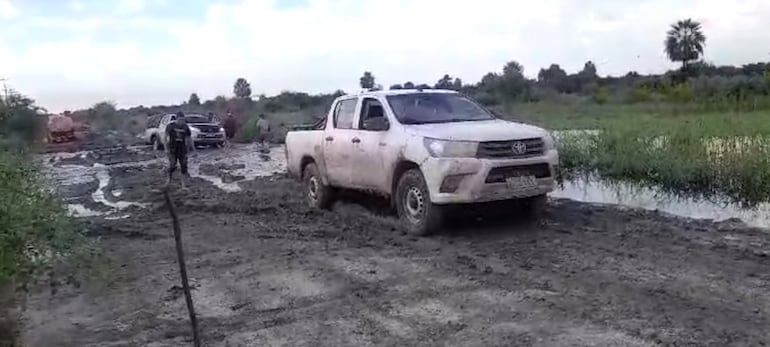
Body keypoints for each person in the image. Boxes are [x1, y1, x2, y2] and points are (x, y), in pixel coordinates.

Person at [165, 111, 195, 188]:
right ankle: (168, 180)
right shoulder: (170, 126)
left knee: (184, 166)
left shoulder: (185, 127)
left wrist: (193, 149)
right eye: (180, 119)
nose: (181, 121)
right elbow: (165, 137)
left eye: (183, 119)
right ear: (176, 119)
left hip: (182, 149)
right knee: (172, 165)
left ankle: (183, 185)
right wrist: (166, 149)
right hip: (172, 149)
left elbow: (189, 139)